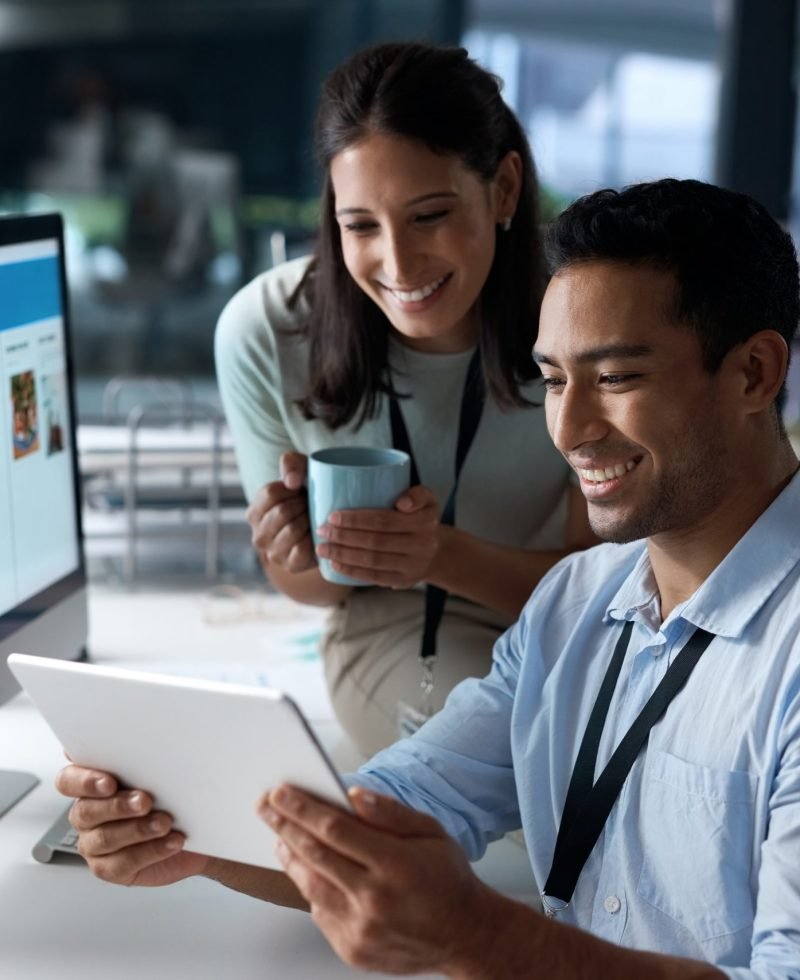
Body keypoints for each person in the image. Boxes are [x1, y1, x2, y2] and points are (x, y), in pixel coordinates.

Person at [57, 177, 800, 978]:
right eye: (553, 380)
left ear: (755, 374)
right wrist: (183, 832)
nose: (572, 429)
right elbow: (392, 811)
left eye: (616, 379)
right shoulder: (575, 605)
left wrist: (480, 937)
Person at [214, 41, 595, 755]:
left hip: (562, 620)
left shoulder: (583, 319)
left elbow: (606, 598)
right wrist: (299, 549)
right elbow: (315, 592)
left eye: (428, 216)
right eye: (360, 225)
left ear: (505, 189)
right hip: (387, 627)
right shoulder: (266, 330)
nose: (397, 263)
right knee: (525, 770)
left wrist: (437, 554)